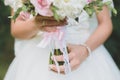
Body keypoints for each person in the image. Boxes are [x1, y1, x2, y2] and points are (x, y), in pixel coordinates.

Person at [4, 0, 120, 80]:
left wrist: (85, 50)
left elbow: (105, 24)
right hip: (38, 55)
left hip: (85, 54)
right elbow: (16, 29)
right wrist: (36, 24)